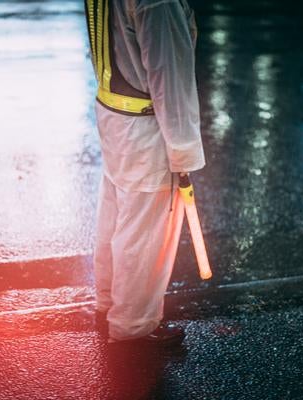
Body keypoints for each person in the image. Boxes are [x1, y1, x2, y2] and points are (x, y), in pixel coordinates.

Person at [84, 0, 205, 345]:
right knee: (145, 232)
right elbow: (170, 76)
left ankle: (109, 303)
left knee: (117, 216)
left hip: (115, 112)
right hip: (147, 127)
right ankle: (133, 328)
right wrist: (183, 153)